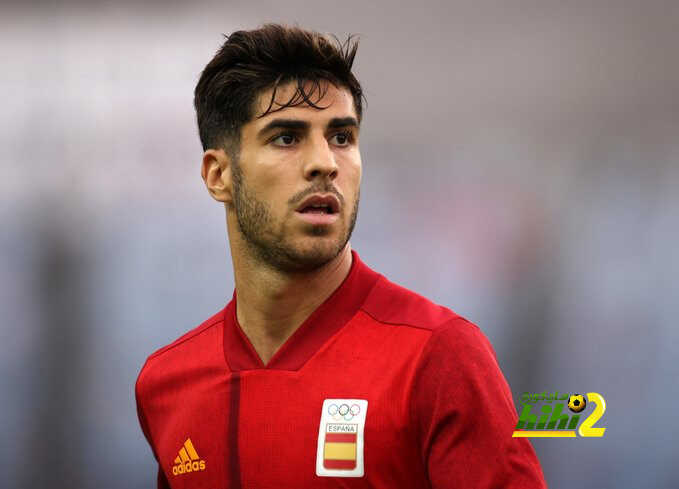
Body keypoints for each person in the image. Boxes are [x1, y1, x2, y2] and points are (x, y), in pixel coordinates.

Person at [135, 23, 546, 488]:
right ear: (218, 175)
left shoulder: (439, 356)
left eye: (342, 137)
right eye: (286, 138)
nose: (325, 163)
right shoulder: (167, 384)